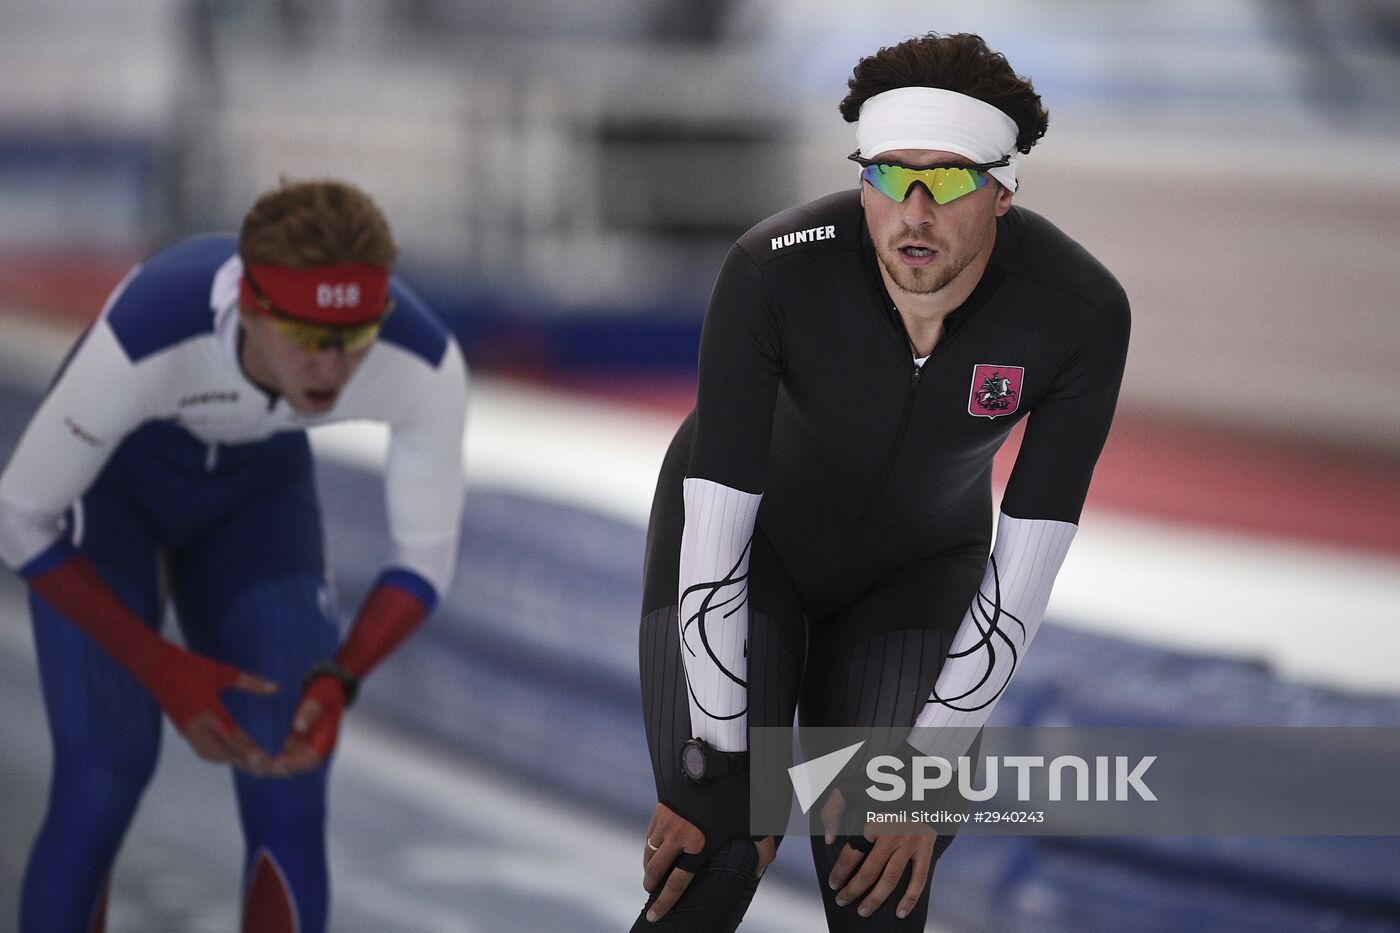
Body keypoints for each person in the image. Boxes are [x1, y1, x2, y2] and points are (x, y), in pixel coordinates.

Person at [634, 32, 1129, 930]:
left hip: (915, 576)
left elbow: (1026, 566)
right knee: (712, 851)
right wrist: (718, 761)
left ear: (1004, 188)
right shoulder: (772, 269)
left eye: (946, 181)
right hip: (752, 556)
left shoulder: (1080, 312)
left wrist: (930, 767)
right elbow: (716, 532)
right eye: (887, 176)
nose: (913, 212)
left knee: (881, 873)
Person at [0, 180, 469, 933]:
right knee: (105, 773)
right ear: (251, 310)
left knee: (291, 779)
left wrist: (341, 677)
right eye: (310, 338)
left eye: (353, 339)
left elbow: (426, 555)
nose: (334, 367)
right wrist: (159, 664)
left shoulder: (422, 359)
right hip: (114, 487)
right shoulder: (149, 332)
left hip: (257, 493)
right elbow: (19, 515)